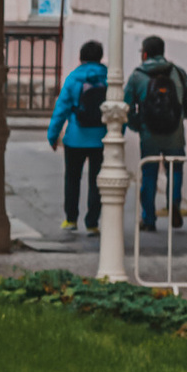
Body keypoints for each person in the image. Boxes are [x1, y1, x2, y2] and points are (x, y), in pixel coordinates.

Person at [125, 36, 187, 232]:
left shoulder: (137, 75)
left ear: (145, 53)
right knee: (175, 170)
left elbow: (126, 105)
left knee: (149, 174)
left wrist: (137, 125)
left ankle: (148, 219)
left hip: (149, 133)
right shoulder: (177, 72)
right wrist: (180, 112)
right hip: (175, 132)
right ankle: (174, 203)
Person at [45, 37, 111, 234]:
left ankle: (71, 219)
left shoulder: (74, 78)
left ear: (81, 57)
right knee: (96, 181)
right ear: (100, 58)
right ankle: (92, 223)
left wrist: (53, 135)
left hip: (75, 137)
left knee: (72, 179)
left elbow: (61, 109)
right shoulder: (109, 78)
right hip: (101, 138)